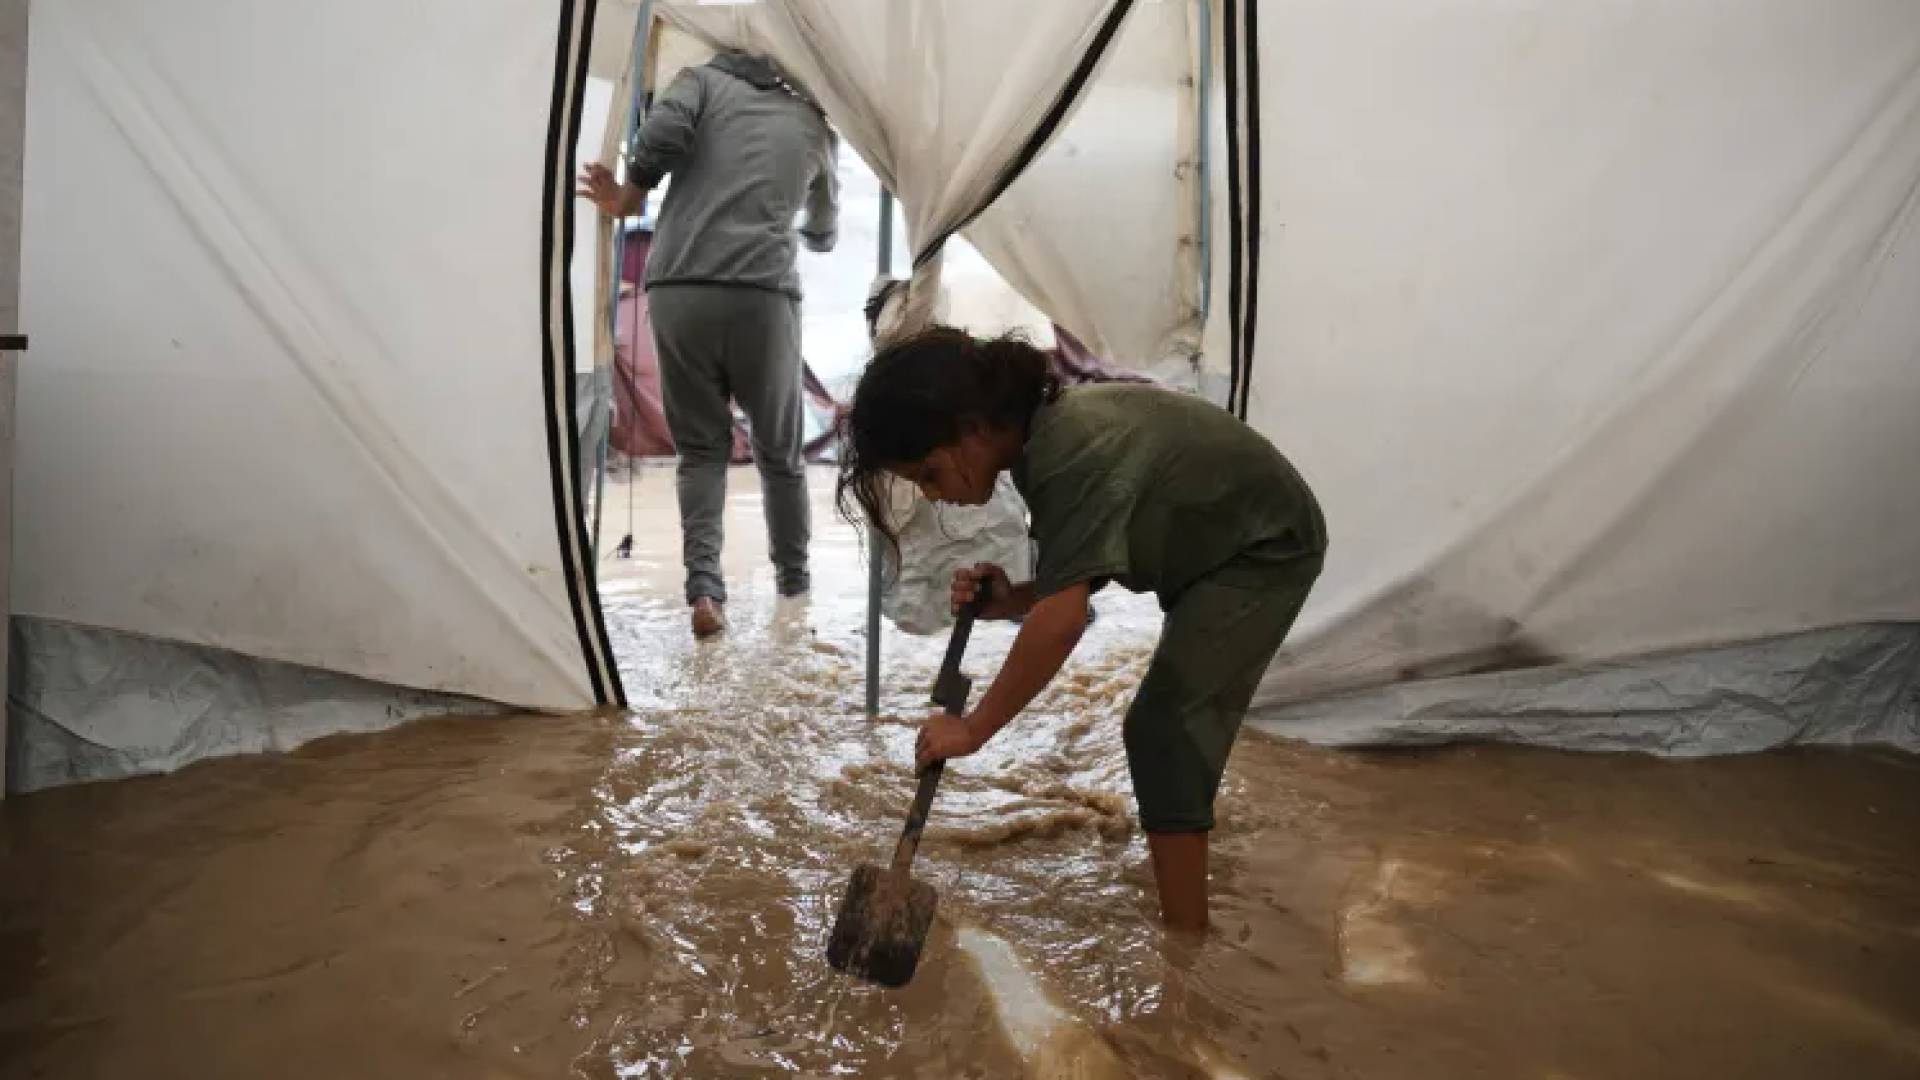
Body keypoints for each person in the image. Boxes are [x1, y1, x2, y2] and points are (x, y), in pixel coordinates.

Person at [836, 327, 1327, 930]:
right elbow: (1082, 564)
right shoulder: (1046, 440)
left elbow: (1062, 621)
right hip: (1218, 548)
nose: (933, 497)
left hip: (1262, 550)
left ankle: (1186, 943)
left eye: (929, 475)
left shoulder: (1067, 451)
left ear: (971, 427)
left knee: (1164, 728)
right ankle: (1182, 880)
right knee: (1167, 726)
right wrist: (1010, 597)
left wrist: (973, 728)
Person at [580, 51, 838, 637]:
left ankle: (704, 592)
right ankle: (794, 593)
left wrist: (630, 195)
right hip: (761, 294)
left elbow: (663, 131)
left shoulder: (700, 82)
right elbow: (823, 233)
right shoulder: (815, 123)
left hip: (679, 289)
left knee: (700, 453)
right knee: (780, 457)